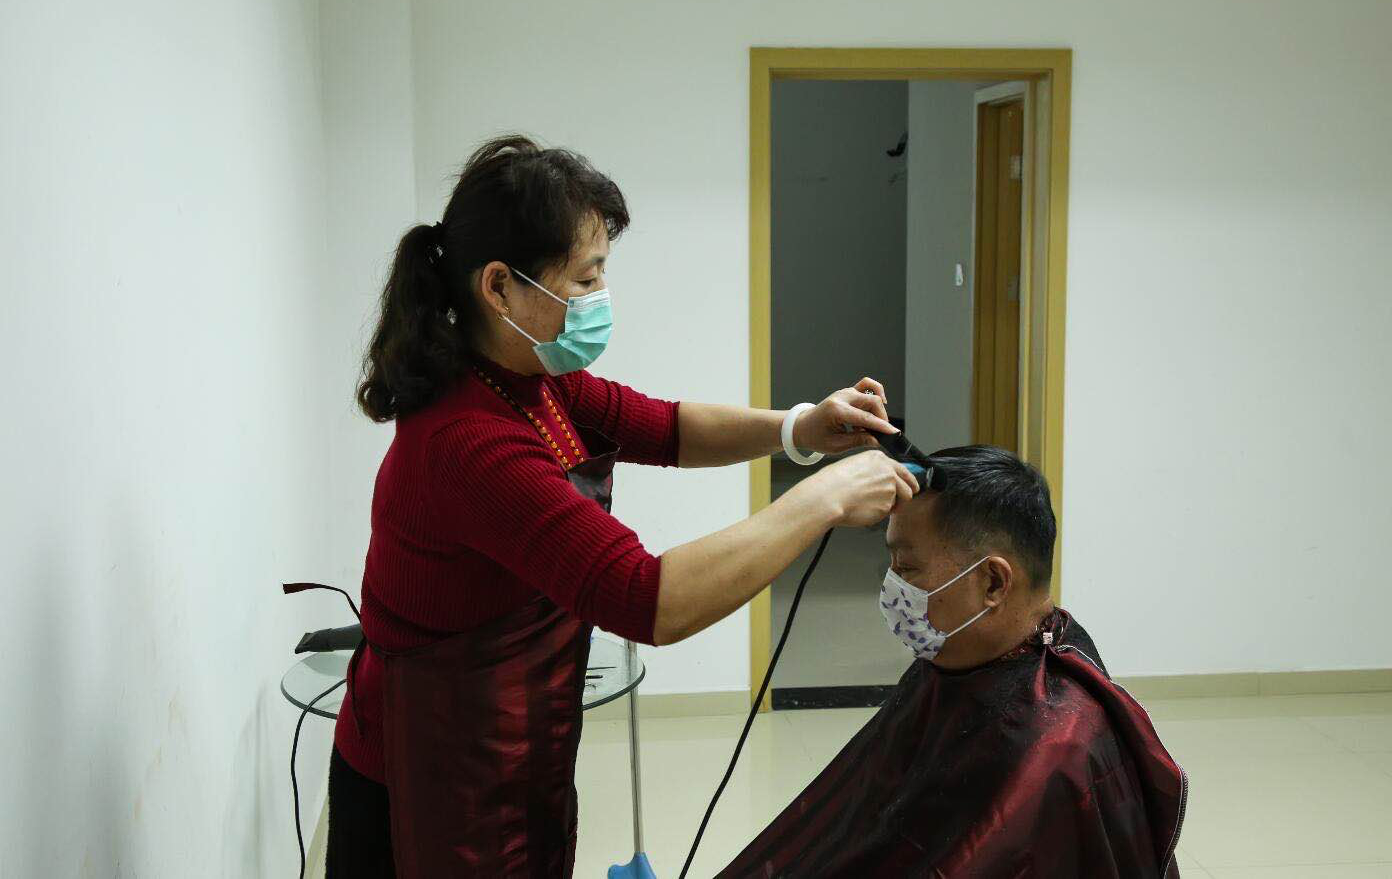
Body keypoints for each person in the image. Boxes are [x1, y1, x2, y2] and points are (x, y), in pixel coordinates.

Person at [312, 135, 922, 878]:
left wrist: (800, 429)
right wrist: (821, 499)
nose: (600, 296)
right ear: (499, 287)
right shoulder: (468, 442)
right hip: (422, 778)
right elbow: (644, 598)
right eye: (586, 276)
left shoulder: (530, 376)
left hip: (507, 739)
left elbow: (664, 427)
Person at [719, 445, 1188, 878]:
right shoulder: (955, 660)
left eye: (908, 567)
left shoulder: (1058, 747)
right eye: (892, 564)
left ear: (993, 583)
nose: (892, 585)